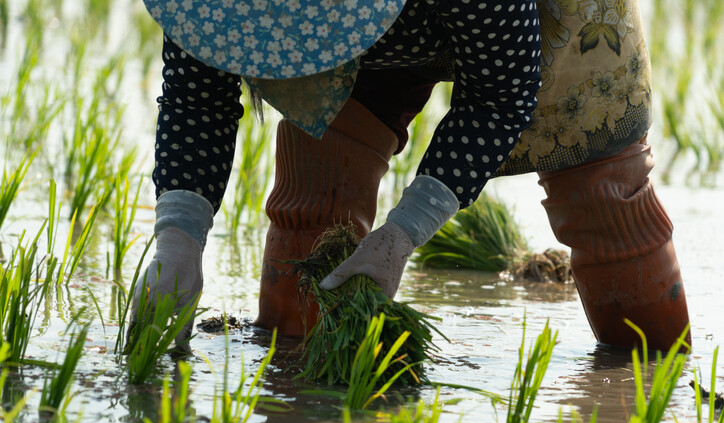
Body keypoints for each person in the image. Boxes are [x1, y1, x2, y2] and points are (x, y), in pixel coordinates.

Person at [131, 0, 689, 354]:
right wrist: (178, 240)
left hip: (549, 23)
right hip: (358, 39)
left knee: (610, 218)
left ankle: (654, 393)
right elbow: (196, 99)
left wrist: (402, 235)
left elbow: (502, 95)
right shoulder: (214, 10)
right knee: (311, 229)